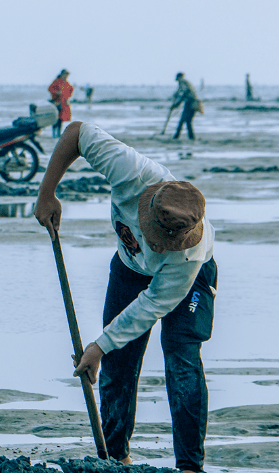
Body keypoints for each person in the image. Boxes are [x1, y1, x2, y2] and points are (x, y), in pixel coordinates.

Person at [34, 121, 217, 473]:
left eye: (169, 245)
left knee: (182, 362)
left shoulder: (188, 256)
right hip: (128, 268)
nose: (162, 248)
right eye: (158, 239)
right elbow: (77, 133)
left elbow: (151, 306)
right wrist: (47, 192)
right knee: (118, 360)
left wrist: (97, 345)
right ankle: (115, 456)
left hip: (192, 281)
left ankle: (190, 467)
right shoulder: (132, 172)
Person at [171, 72, 202, 140]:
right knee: (188, 121)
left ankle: (176, 136)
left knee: (183, 120)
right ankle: (191, 137)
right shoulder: (185, 82)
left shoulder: (182, 82)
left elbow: (185, 92)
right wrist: (176, 99)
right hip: (193, 102)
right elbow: (180, 92)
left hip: (190, 103)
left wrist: (177, 104)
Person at [48, 70, 74, 138]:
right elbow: (50, 89)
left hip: (64, 104)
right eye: (65, 75)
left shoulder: (66, 83)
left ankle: (58, 134)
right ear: (62, 74)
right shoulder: (56, 81)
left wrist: (67, 96)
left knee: (61, 119)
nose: (66, 76)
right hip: (57, 103)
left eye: (67, 75)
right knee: (55, 118)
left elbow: (71, 89)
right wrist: (56, 92)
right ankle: (54, 133)